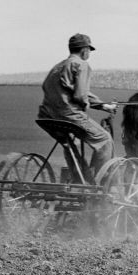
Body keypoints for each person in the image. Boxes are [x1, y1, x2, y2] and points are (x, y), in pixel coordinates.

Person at [38, 33, 117, 179]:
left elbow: (54, 88)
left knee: (70, 144)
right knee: (105, 140)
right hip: (69, 116)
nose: (89, 54)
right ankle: (97, 184)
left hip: (46, 116)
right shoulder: (81, 64)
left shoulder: (58, 67)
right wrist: (88, 104)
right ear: (84, 50)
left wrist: (103, 105)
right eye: (89, 50)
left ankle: (81, 179)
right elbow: (81, 95)